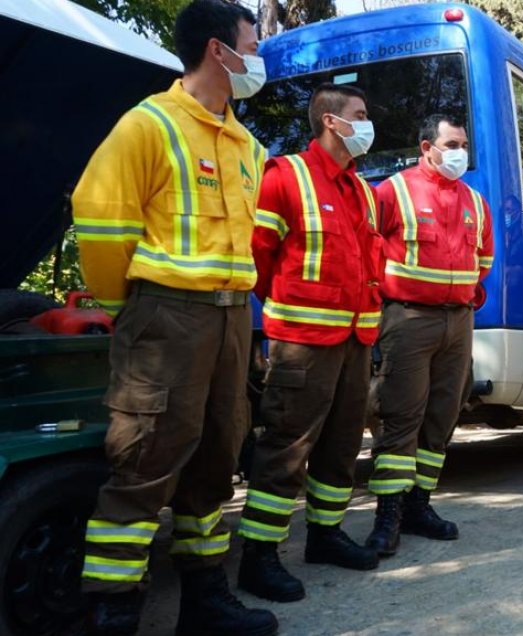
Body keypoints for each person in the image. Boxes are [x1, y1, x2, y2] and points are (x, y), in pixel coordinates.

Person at [70, 1, 277, 634]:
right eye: (252, 41)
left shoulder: (247, 145)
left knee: (218, 459)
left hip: (229, 319)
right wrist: (125, 310)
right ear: (220, 50)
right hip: (165, 317)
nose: (258, 56)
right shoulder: (148, 125)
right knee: (144, 464)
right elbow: (100, 220)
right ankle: (113, 612)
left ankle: (204, 600)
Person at [235, 83, 383, 603]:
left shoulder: (362, 190)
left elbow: (370, 266)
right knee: (285, 447)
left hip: (356, 340)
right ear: (330, 121)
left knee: (343, 447)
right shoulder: (286, 176)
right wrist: (288, 309)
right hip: (302, 341)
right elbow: (259, 257)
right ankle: (259, 556)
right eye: (359, 115)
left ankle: (325, 535)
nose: (367, 124)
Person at [365, 114, 494, 557]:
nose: (460, 152)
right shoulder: (393, 191)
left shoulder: (475, 201)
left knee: (442, 416)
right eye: (452, 143)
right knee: (401, 416)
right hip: (407, 319)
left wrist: (467, 297)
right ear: (427, 148)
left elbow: (485, 258)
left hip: (457, 322)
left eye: (463, 144)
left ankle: (420, 505)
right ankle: (389, 515)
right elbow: (368, 250)